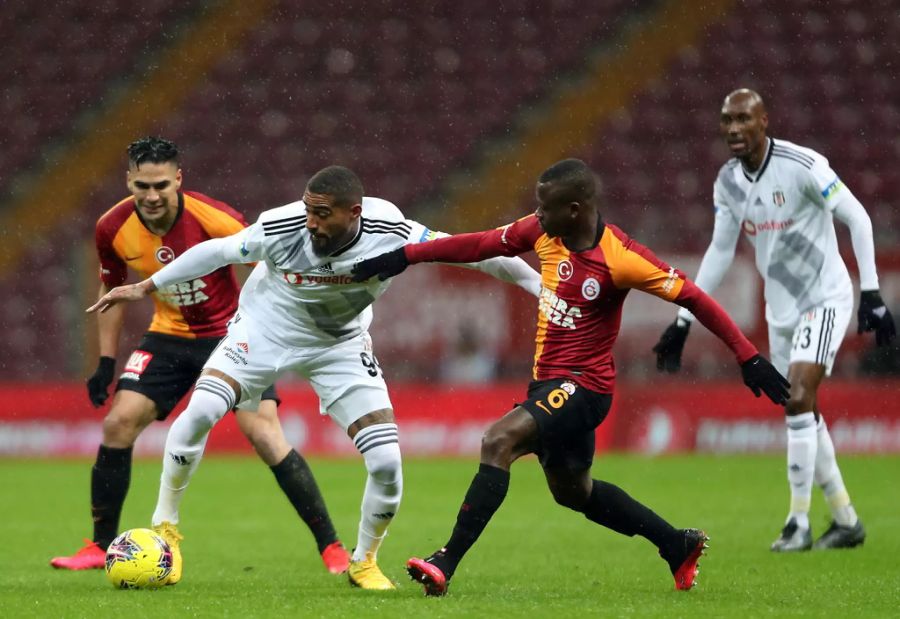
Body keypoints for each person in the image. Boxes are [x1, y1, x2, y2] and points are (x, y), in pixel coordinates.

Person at [87, 165, 542, 590]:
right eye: (308, 211)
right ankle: (166, 526)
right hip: (264, 328)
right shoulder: (282, 226)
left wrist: (541, 289)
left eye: (322, 214)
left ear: (354, 213)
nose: (311, 223)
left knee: (386, 462)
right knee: (203, 408)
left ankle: (363, 561)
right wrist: (146, 287)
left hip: (339, 345)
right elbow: (217, 251)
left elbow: (482, 252)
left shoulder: (393, 232)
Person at [350, 158, 790, 596]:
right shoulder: (543, 231)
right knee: (573, 492)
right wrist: (405, 256)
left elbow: (694, 296)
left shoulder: (622, 257)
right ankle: (676, 544)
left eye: (546, 208)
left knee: (498, 441)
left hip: (586, 385)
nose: (537, 216)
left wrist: (748, 356)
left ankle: (445, 561)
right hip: (548, 385)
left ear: (576, 209)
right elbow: (479, 245)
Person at [52, 137, 350, 578]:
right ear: (128, 182)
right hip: (167, 337)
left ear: (178, 180)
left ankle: (332, 547)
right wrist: (105, 362)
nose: (151, 196)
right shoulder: (111, 228)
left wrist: (269, 330)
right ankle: (99, 545)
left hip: (231, 336)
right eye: (141, 186)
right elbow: (111, 290)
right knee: (118, 422)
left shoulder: (215, 218)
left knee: (264, 434)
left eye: (160, 186)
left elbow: (265, 270)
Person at [652, 89, 895, 552]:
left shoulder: (802, 166)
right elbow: (721, 250)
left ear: (765, 120)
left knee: (800, 397)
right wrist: (684, 318)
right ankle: (845, 518)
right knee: (800, 409)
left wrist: (871, 292)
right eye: (726, 121)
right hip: (780, 310)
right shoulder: (727, 182)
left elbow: (858, 218)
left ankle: (797, 523)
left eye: (743, 118)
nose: (734, 129)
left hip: (823, 298)